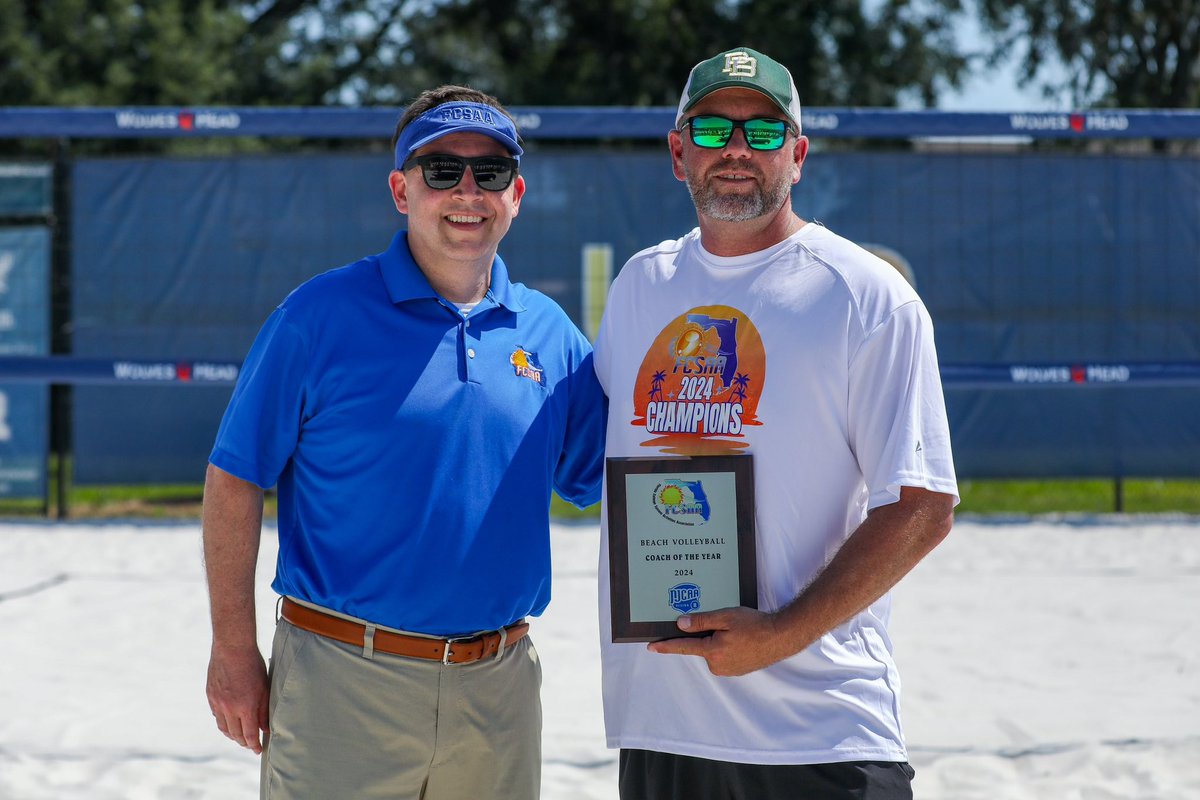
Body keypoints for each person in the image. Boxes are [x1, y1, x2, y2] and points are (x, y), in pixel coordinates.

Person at [202, 85, 605, 800]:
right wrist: (233, 648)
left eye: (489, 172)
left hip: (500, 688)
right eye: (441, 170)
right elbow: (233, 479)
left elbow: (605, 477)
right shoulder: (316, 316)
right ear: (401, 189)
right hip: (342, 677)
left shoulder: (552, 335)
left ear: (517, 192)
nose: (467, 191)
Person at [593, 47, 959, 799]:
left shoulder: (866, 295)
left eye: (763, 132)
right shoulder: (639, 284)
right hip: (662, 723)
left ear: (798, 152)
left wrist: (780, 635)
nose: (736, 148)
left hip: (818, 732)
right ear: (676, 150)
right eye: (713, 128)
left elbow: (923, 507)